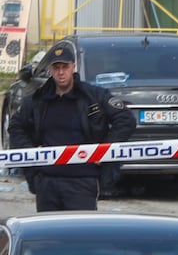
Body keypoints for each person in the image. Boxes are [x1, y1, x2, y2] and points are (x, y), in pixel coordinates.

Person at [8, 40, 135, 212]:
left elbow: (126, 120)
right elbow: (16, 126)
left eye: (65, 67)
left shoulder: (93, 96)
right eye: (56, 68)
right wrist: (31, 153)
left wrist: (104, 149)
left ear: (73, 67)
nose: (61, 73)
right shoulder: (38, 100)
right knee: (48, 236)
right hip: (47, 181)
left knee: (79, 236)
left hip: (82, 181)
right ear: (50, 70)